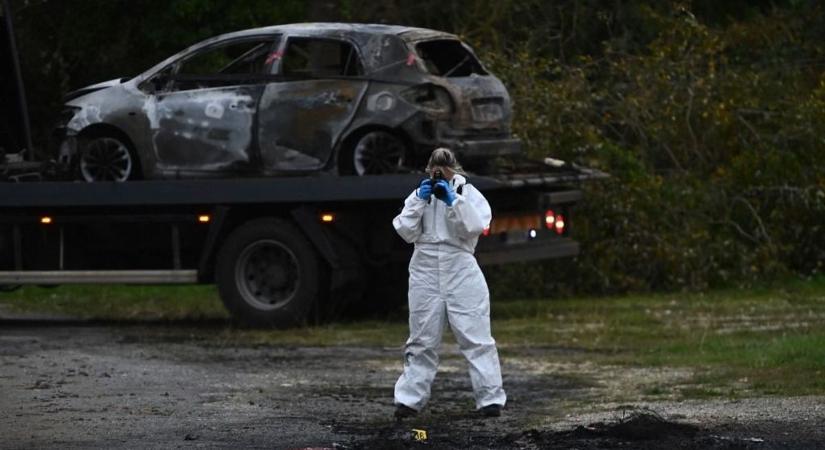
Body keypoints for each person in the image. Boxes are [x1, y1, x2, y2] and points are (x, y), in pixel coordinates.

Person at [391, 147, 506, 419]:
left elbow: (474, 227)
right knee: (421, 339)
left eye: (444, 172)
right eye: (435, 172)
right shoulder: (419, 195)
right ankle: (408, 400)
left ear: (453, 170)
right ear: (429, 170)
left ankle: (490, 399)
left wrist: (453, 200)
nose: (439, 176)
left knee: (476, 336)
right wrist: (419, 200)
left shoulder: (469, 194)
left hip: (460, 266)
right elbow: (405, 231)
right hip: (425, 267)